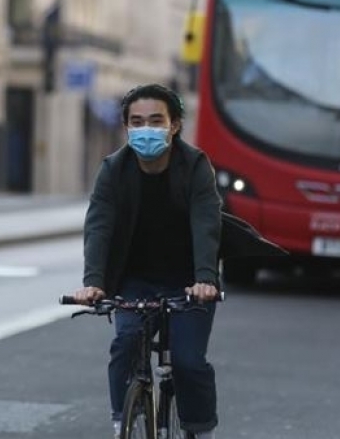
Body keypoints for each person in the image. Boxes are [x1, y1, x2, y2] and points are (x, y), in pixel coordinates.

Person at [72, 83, 222, 439]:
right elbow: (99, 226)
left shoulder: (196, 166)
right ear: (126, 127)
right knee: (124, 345)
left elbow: (206, 224)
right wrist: (94, 282)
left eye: (156, 120)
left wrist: (206, 279)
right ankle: (120, 421)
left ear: (174, 125)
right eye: (137, 122)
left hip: (189, 282)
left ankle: (201, 431)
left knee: (187, 362)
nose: (146, 129)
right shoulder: (113, 169)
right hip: (133, 280)